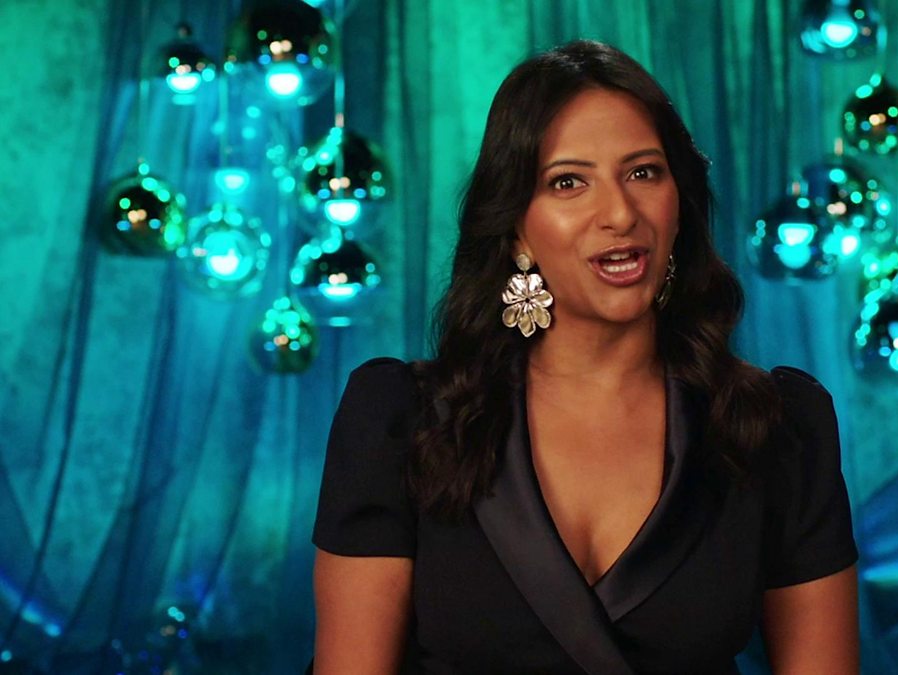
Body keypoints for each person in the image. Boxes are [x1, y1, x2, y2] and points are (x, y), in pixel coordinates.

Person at [311, 39, 858, 674]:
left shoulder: (778, 427)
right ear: (516, 226)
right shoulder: (398, 422)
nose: (620, 213)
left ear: (679, 203)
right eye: (568, 182)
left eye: (644, 173)